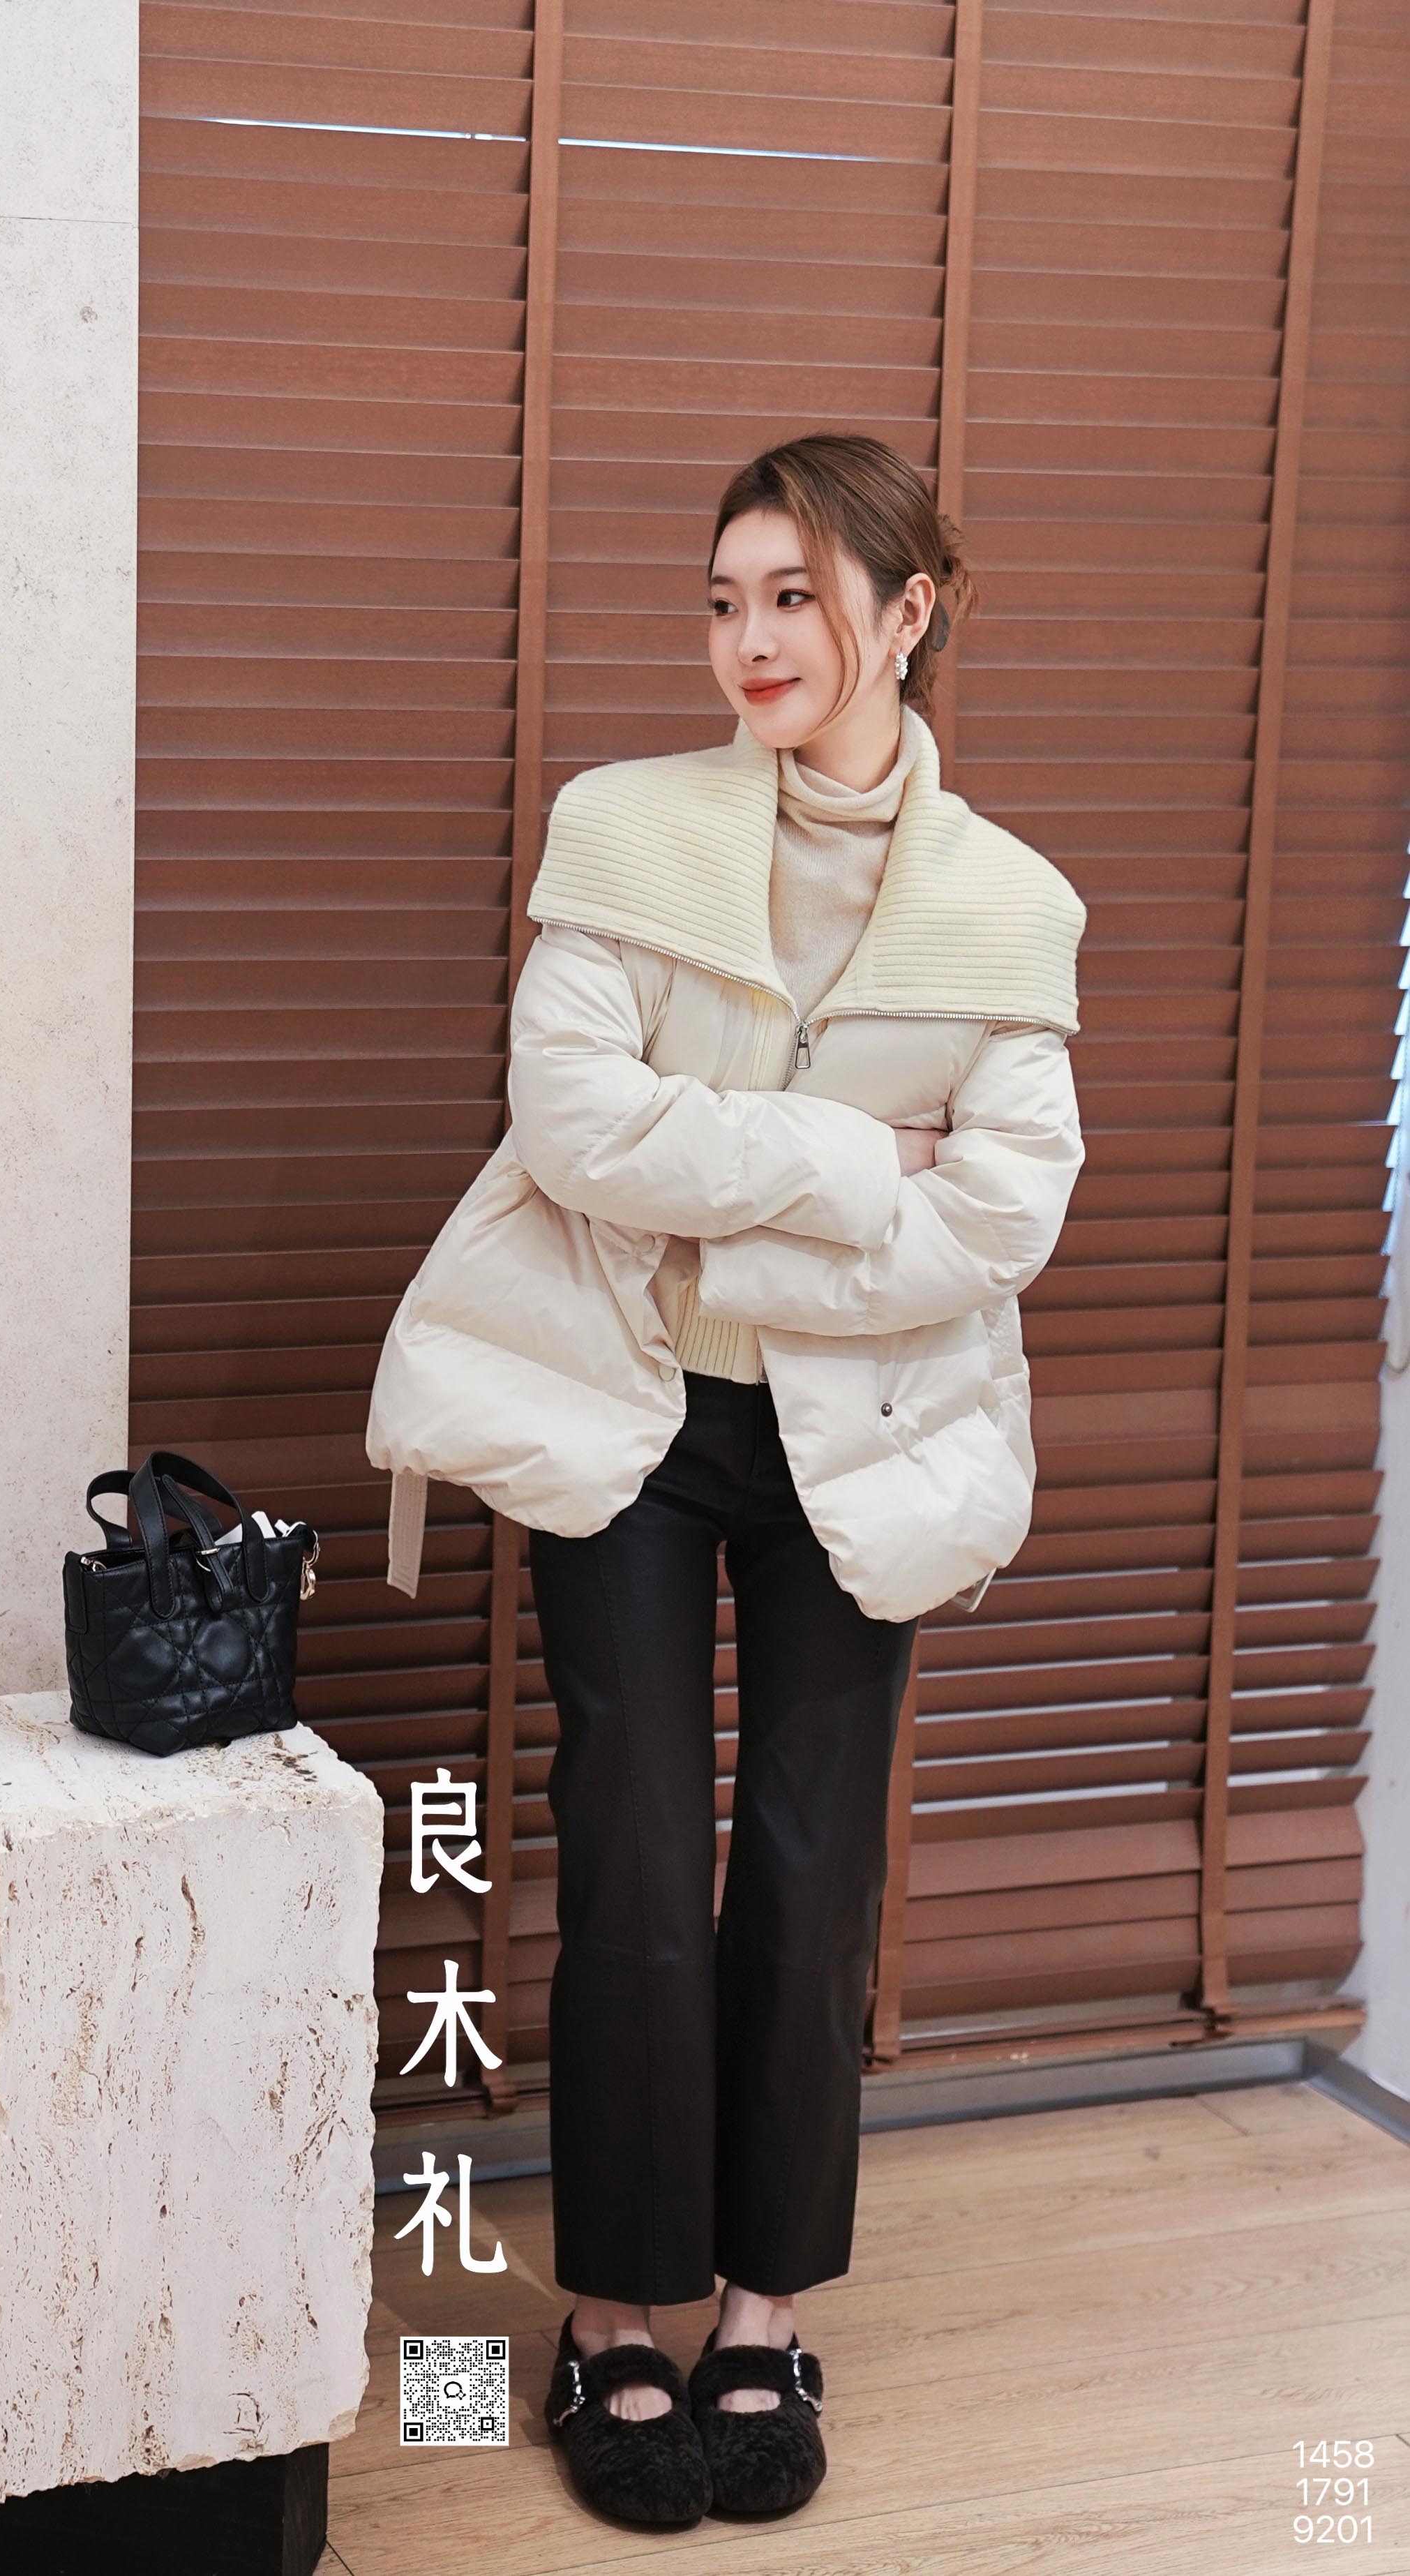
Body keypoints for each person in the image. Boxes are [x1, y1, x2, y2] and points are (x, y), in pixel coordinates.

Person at [366, 432, 1088, 2528]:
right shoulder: (625, 827)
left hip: (865, 1436)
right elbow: (575, 1122)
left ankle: (764, 2311)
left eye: (794, 596)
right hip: (628, 1412)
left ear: (907, 611)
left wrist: (724, 1230)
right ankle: (612, 2312)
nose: (749, 640)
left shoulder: (1009, 900)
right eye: (723, 599)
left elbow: (1006, 1215)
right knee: (626, 1854)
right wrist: (863, 1158)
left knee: (805, 1864)